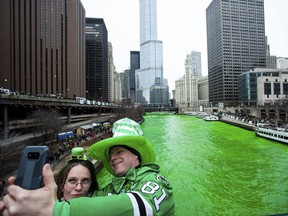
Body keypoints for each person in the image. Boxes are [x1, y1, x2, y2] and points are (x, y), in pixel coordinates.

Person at [0, 117, 175, 216]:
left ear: (136, 155)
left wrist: (53, 210)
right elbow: (80, 198)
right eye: (111, 154)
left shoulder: (157, 182)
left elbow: (143, 206)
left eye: (119, 151)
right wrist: (29, 200)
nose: (113, 158)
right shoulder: (108, 190)